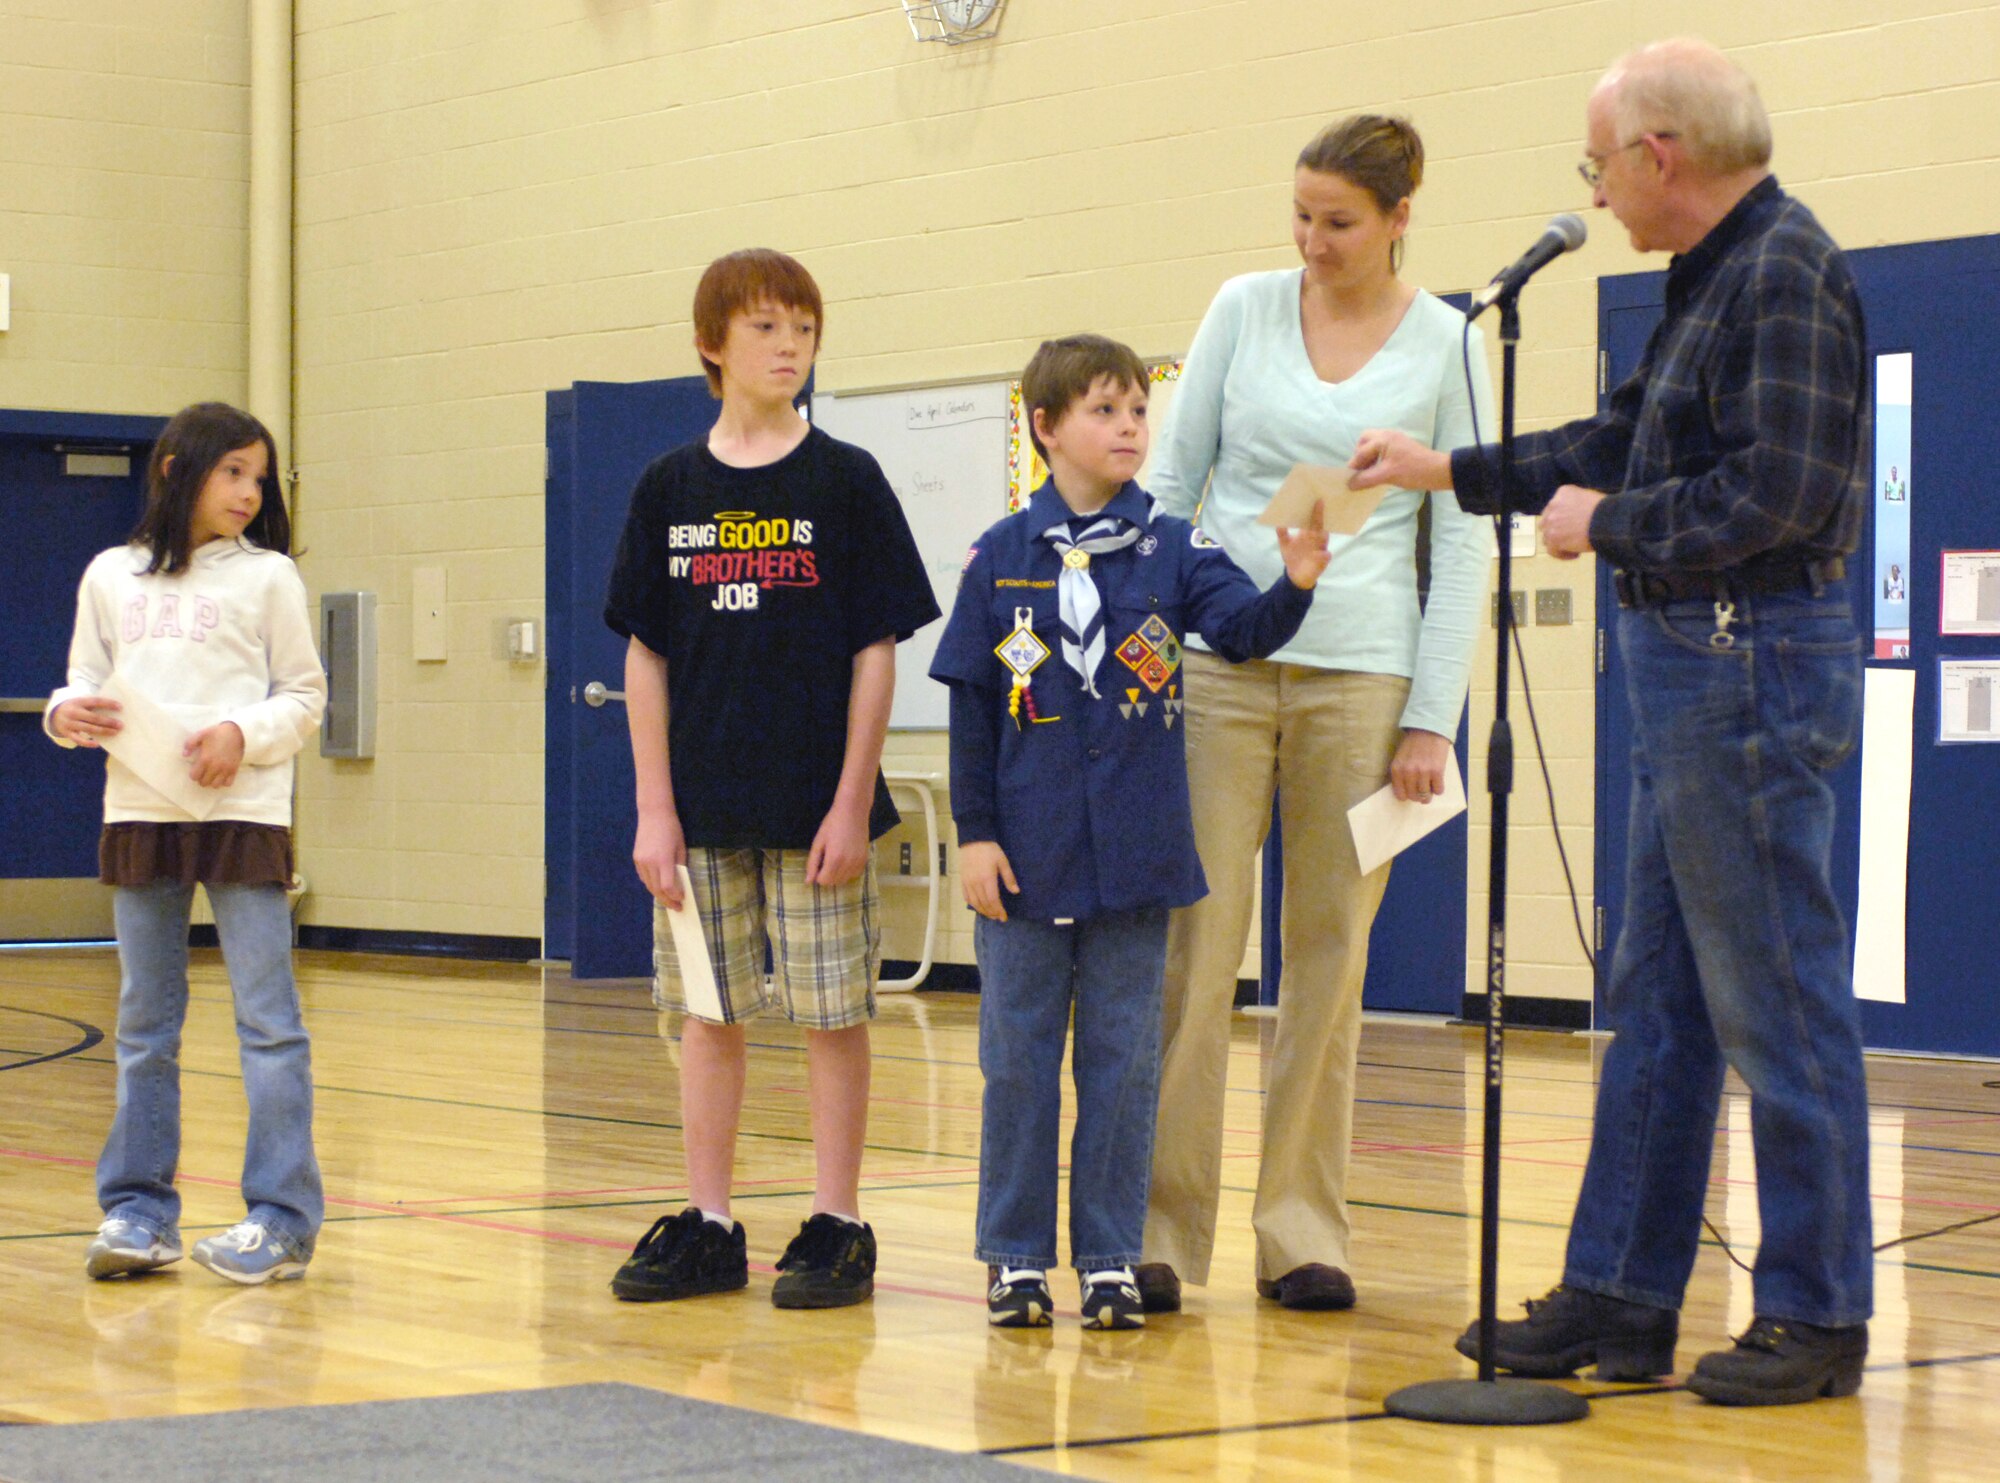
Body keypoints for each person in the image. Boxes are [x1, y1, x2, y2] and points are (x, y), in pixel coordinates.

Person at [1352, 39, 1873, 1406]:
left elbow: (1781, 494)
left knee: (1776, 994)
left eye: (1599, 162)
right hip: (1693, 661)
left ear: (1661, 156)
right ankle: (1625, 1289)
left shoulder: (1788, 272)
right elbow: (1616, 440)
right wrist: (1450, 470)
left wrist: (1612, 525)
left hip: (1750, 658)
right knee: (1657, 998)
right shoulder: (1708, 279)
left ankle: (1817, 1307)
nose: (1596, 188)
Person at [1138, 115, 1493, 1315]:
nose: (1311, 239)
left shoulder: (1449, 341)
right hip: (1219, 667)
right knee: (1195, 951)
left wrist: (1430, 716)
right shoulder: (1240, 308)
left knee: (1326, 961)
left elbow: (1463, 539)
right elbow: (1169, 489)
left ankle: (1300, 1231)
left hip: (1364, 680)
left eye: (1338, 221)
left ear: (1400, 219)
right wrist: (1149, 637)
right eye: (1299, 213)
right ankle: (1156, 1230)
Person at [931, 334, 1330, 1329]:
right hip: (1023, 852)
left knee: (1121, 1060)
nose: (1126, 429)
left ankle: (1110, 1253)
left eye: (1136, 412)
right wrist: (972, 834)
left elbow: (1239, 630)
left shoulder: (1171, 547)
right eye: (1103, 411)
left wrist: (1296, 582)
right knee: (1017, 1061)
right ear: (1046, 427)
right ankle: (1015, 1257)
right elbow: (974, 708)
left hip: (1136, 855)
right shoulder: (998, 560)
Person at [602, 248, 940, 1309]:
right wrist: (653, 807)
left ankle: (837, 1219)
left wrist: (851, 798)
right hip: (699, 813)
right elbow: (644, 655)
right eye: (763, 328)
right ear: (712, 344)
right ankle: (708, 1219)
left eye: (801, 327)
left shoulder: (844, 479)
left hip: (815, 808)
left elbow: (874, 648)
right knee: (710, 1016)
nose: (788, 345)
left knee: (833, 1015)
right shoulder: (669, 487)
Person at [47, 402, 328, 1286]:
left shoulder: (270, 577)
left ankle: (280, 1219)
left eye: (259, 475)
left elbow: (305, 695)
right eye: (231, 472)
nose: (249, 492)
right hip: (141, 814)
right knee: (144, 1023)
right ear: (175, 471)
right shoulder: (110, 575)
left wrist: (242, 734)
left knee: (269, 1021)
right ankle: (137, 1210)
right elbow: (81, 683)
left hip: (244, 816)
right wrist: (65, 714)